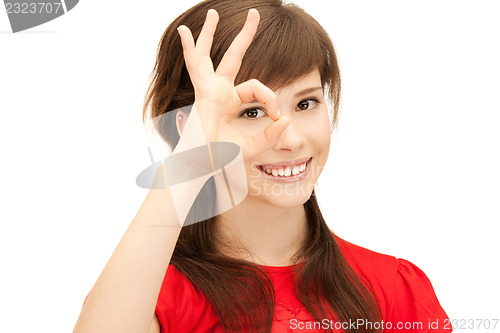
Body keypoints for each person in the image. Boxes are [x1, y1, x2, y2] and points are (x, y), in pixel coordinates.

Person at [73, 0, 452, 332]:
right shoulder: (151, 298)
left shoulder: (394, 290)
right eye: (252, 111)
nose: (289, 139)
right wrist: (190, 159)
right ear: (188, 130)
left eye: (306, 104)